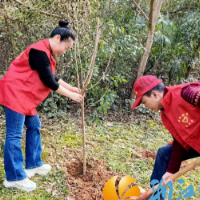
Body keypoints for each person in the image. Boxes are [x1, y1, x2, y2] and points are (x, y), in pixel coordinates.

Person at [0, 19, 84, 192]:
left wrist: (72, 88)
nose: (65, 52)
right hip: (15, 93)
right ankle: (14, 177)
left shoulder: (46, 53)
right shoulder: (39, 51)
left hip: (25, 96)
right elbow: (49, 82)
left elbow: (53, 77)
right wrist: (72, 96)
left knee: (34, 125)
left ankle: (33, 164)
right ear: (58, 38)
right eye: (66, 48)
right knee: (14, 134)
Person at [131, 75, 200, 200]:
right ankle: (156, 197)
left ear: (155, 94)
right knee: (164, 152)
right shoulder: (165, 113)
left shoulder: (185, 93)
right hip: (195, 142)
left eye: (144, 102)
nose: (146, 107)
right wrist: (171, 171)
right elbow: (180, 141)